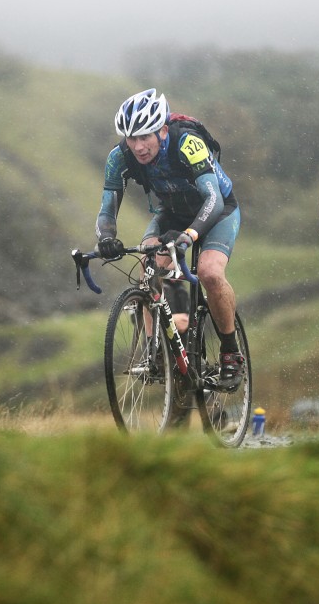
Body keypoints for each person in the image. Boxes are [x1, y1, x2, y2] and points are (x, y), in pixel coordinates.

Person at [95, 88, 244, 392]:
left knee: (210, 273)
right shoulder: (119, 157)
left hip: (217, 211)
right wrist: (106, 238)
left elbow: (213, 200)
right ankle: (157, 351)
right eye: (131, 138)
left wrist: (191, 234)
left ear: (162, 130)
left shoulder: (187, 143)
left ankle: (231, 352)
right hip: (172, 213)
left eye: (145, 137)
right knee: (149, 262)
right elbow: (107, 209)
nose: (137, 146)